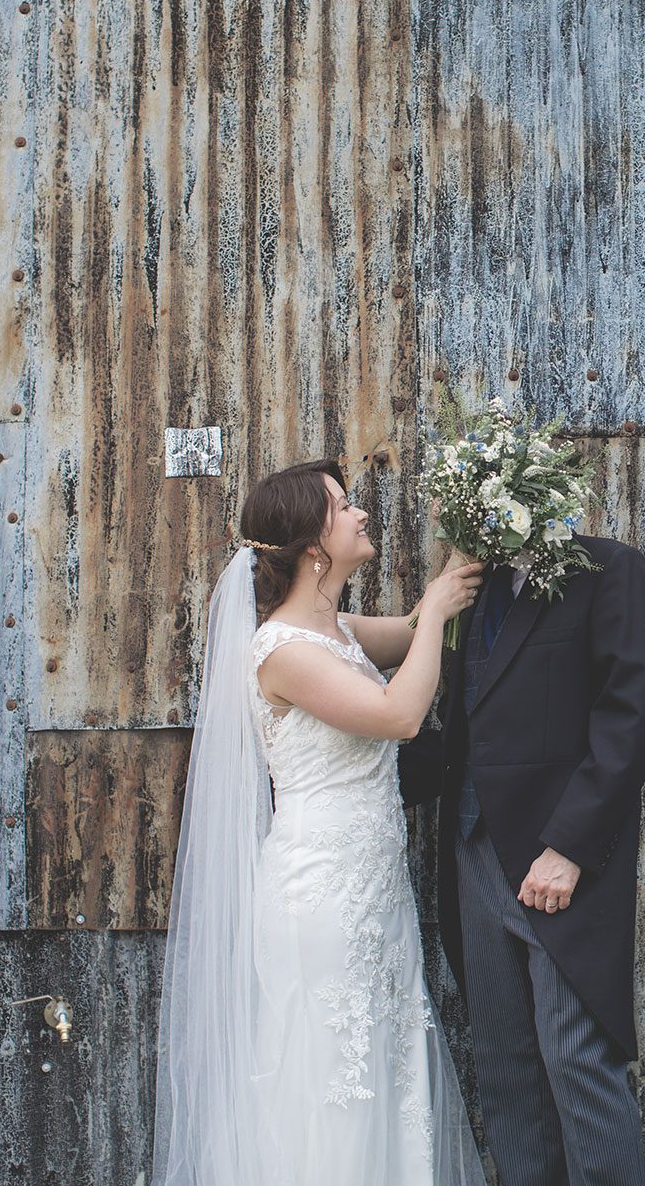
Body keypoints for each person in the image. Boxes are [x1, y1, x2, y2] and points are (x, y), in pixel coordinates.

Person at [151, 458, 488, 1184]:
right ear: (313, 547)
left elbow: (403, 635)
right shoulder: (283, 651)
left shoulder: (334, 632)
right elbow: (399, 715)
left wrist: (458, 565)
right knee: (330, 1081)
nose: (362, 514)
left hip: (371, 892)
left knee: (383, 1072)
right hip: (321, 895)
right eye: (344, 507)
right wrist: (433, 612)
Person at [401, 533, 645, 1185]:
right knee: (505, 1061)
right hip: (473, 850)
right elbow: (473, 722)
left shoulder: (608, 570)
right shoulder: (480, 586)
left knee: (575, 1059)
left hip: (558, 863)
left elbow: (631, 716)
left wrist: (571, 848)